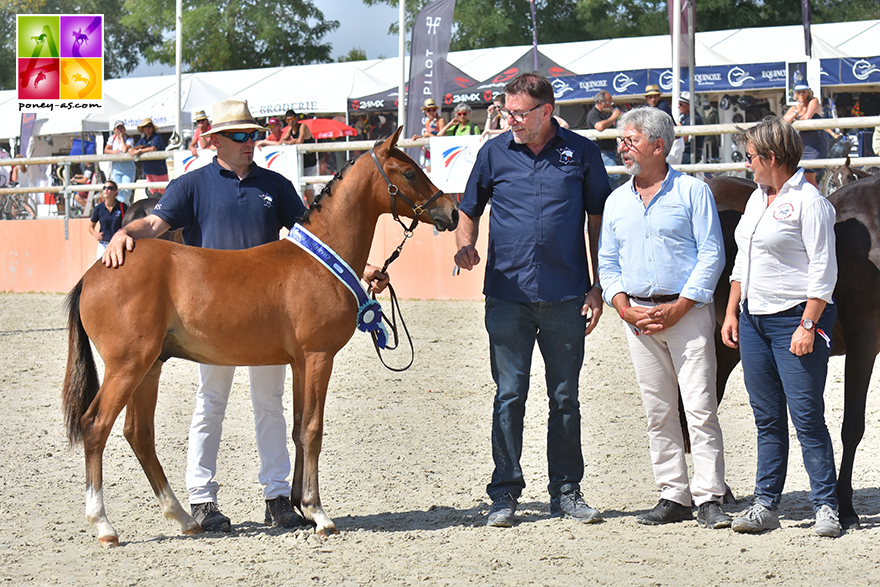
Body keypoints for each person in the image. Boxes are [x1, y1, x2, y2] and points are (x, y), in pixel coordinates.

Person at [102, 99, 391, 533]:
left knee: (269, 404)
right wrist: (123, 233)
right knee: (210, 405)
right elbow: (156, 225)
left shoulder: (274, 184)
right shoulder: (192, 185)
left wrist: (363, 269)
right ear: (213, 140)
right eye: (238, 136)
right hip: (210, 315)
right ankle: (202, 498)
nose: (248, 142)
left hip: (268, 311)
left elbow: (316, 242)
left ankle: (277, 496)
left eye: (252, 134)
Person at [453, 72, 611, 527]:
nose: (511, 120)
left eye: (519, 113)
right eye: (507, 111)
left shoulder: (581, 153)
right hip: (507, 295)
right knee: (509, 395)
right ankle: (504, 493)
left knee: (565, 397)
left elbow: (597, 220)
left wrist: (599, 284)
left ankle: (567, 491)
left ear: (547, 110)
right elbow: (469, 207)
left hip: (567, 295)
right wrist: (465, 243)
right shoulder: (493, 151)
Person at [597, 107, 730, 529]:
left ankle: (710, 495)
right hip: (637, 315)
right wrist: (622, 305)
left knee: (700, 406)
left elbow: (712, 254)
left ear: (658, 145)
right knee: (657, 410)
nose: (623, 148)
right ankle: (673, 493)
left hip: (686, 313)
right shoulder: (616, 200)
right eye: (621, 140)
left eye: (630, 140)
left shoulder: (694, 192)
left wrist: (682, 305)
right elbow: (607, 263)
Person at [721, 116, 841, 538]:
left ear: (772, 158)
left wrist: (807, 324)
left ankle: (826, 505)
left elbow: (824, 273)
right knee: (766, 417)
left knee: (807, 417)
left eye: (750, 156)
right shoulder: (757, 199)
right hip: (754, 319)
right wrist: (733, 311)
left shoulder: (810, 203)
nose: (747, 163)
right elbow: (743, 262)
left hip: (795, 318)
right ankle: (765, 503)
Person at [783, 83, 828, 189]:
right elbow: (783, 122)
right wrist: (796, 112)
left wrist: (796, 117)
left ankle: (818, 200)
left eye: (804, 91)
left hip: (815, 145)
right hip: (801, 146)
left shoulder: (814, 101)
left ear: (808, 92)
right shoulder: (794, 107)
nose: (801, 94)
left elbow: (807, 117)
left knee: (809, 178)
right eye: (799, 92)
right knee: (799, 177)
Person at [280, 110, 317, 202]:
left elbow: (300, 141)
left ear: (296, 119)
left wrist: (290, 142)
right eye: (288, 120)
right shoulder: (290, 129)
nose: (291, 122)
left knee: (308, 190)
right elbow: (281, 141)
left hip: (310, 162)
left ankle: (312, 211)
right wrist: (290, 142)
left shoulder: (302, 126)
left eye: (292, 119)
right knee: (300, 188)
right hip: (300, 163)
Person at [587, 90, 621, 189]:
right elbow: (599, 126)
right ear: (600, 103)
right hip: (603, 152)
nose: (611, 105)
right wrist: (614, 117)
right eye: (609, 103)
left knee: (608, 175)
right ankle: (602, 194)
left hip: (609, 152)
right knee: (616, 175)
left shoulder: (605, 114)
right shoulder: (593, 114)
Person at [88, 181, 127, 260]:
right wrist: (96, 234)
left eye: (109, 188)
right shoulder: (98, 208)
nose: (106, 190)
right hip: (103, 244)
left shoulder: (122, 207)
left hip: (118, 243)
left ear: (115, 192)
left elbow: (128, 224)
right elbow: (90, 227)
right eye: (104, 188)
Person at [131, 117, 169, 195]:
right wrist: (136, 150)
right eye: (145, 126)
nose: (147, 128)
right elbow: (135, 147)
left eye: (149, 126)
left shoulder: (157, 137)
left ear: (152, 127)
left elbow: (153, 148)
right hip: (148, 170)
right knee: (153, 194)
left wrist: (140, 150)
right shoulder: (144, 139)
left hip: (159, 170)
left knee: (164, 193)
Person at [104, 120, 136, 205]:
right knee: (116, 190)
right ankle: (119, 209)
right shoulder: (112, 138)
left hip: (128, 166)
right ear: (115, 130)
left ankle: (122, 208)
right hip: (117, 166)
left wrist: (121, 138)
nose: (120, 130)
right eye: (118, 128)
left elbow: (125, 149)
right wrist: (114, 152)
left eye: (121, 128)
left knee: (126, 190)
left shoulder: (129, 139)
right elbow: (106, 150)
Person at [412, 98, 447, 173]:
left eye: (433, 110)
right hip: (429, 152)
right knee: (429, 174)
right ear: (425, 111)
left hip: (438, 152)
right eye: (428, 110)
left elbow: (442, 138)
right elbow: (428, 137)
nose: (431, 112)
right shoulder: (428, 122)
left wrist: (428, 134)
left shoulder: (440, 120)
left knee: (438, 174)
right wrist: (420, 138)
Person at [679, 92, 704, 165]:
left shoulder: (693, 119)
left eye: (681, 104)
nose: (678, 106)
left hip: (691, 152)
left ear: (689, 106)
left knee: (671, 164)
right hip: (687, 150)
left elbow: (684, 138)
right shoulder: (686, 117)